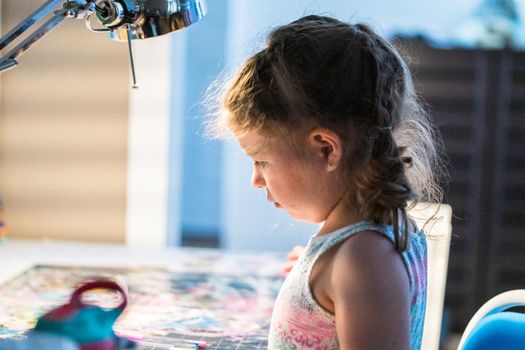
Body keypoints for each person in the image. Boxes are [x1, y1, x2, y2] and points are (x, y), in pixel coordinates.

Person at [207, 15, 446, 350]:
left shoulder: (365, 261)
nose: (256, 180)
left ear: (326, 149)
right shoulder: (359, 249)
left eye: (261, 161)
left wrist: (343, 272)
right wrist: (315, 274)